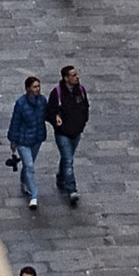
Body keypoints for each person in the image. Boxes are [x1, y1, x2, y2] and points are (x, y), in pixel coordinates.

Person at [48, 61, 88, 201]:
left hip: (76, 131)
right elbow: (50, 111)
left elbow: (85, 107)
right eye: (73, 75)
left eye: (76, 75)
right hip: (63, 133)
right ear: (66, 78)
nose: (77, 77)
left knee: (67, 158)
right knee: (68, 160)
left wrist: (83, 123)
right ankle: (72, 189)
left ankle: (60, 177)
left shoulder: (81, 90)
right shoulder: (57, 93)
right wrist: (57, 121)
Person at [8, 81, 48, 210]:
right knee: (29, 165)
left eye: (38, 86)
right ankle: (34, 195)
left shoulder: (42, 101)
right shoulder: (21, 104)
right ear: (28, 88)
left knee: (28, 165)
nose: (38, 89)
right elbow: (15, 122)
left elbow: (47, 115)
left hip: (37, 138)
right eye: (35, 86)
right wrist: (13, 140)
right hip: (23, 140)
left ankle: (23, 181)